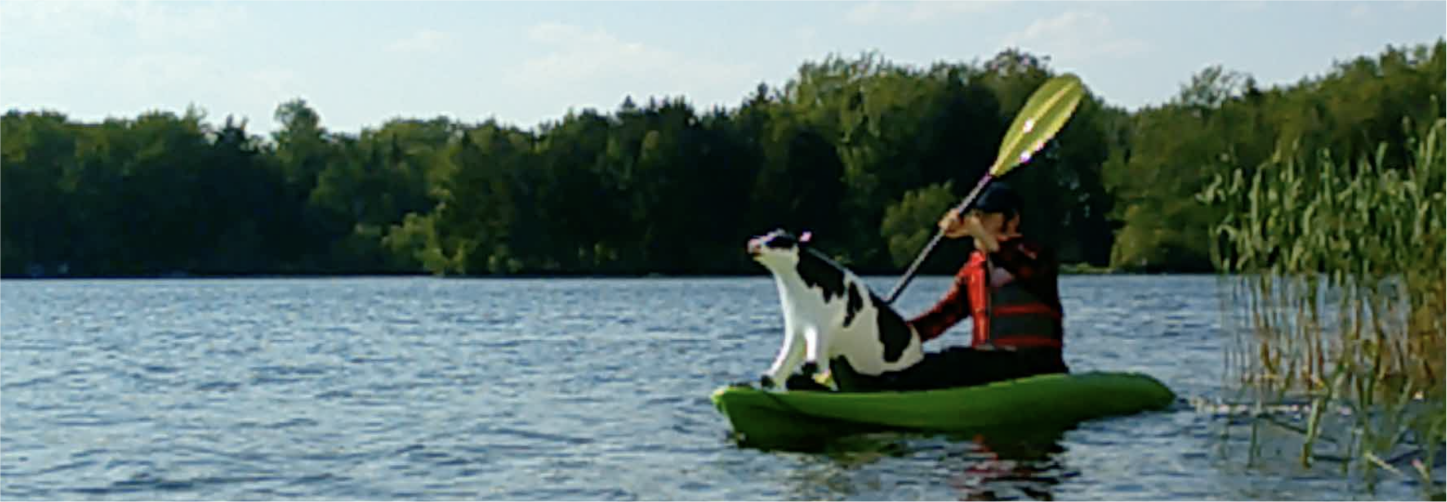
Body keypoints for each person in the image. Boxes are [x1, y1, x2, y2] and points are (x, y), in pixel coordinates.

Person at [870, 182, 1069, 391]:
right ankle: (883, 382)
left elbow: (1021, 267)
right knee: (933, 363)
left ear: (1012, 220)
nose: (979, 222)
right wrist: (896, 336)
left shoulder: (1038, 256)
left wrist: (979, 233)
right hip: (991, 368)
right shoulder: (974, 270)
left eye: (988, 216)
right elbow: (941, 317)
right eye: (977, 216)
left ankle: (888, 385)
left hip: (1036, 365)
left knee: (955, 361)